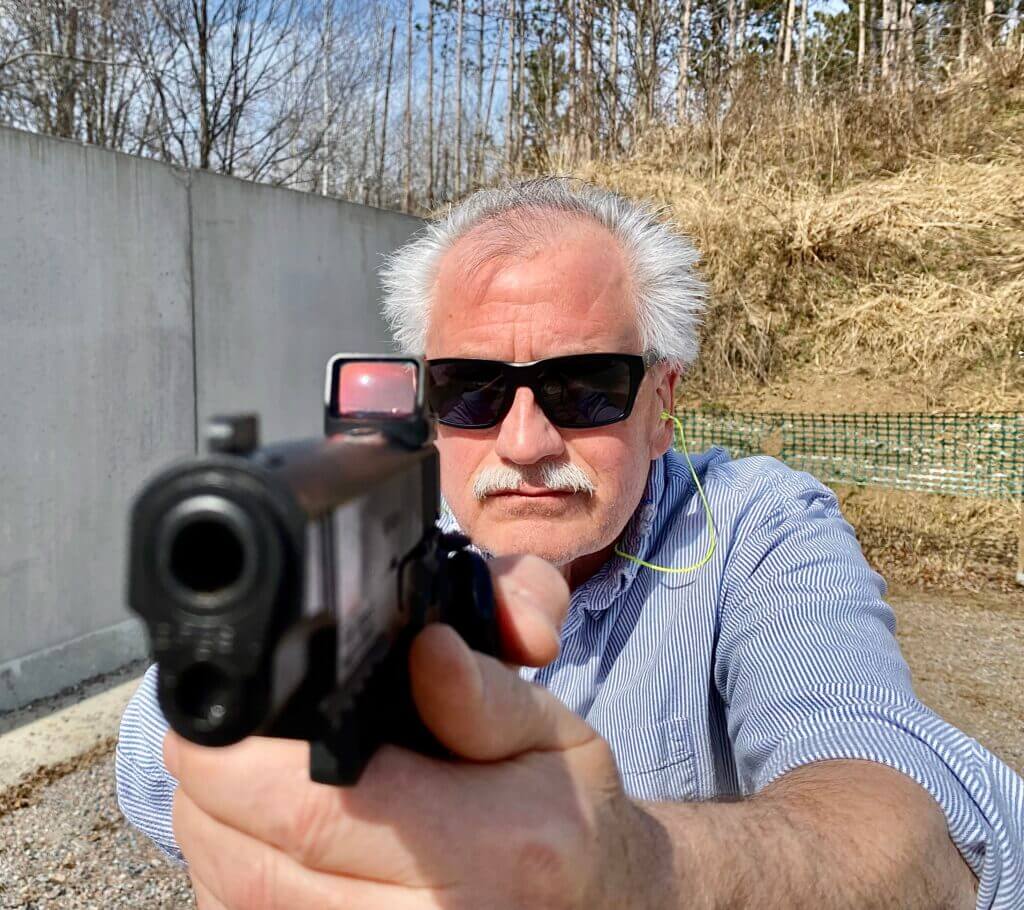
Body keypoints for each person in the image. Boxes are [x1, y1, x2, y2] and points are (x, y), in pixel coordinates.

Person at [117, 177, 1023, 908]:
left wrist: (633, 872)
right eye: (471, 390)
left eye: (584, 387)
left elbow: (911, 847)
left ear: (661, 406)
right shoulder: (384, 536)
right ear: (425, 408)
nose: (523, 442)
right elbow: (160, 764)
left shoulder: (758, 527)